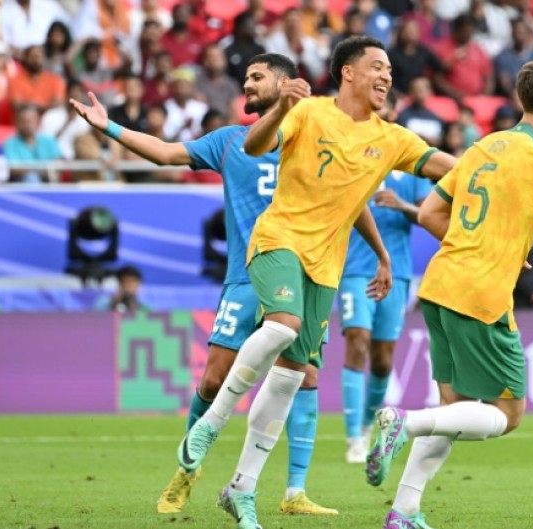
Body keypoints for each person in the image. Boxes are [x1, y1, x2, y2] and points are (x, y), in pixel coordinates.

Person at [177, 36, 456, 529]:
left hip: (326, 267)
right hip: (277, 241)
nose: (387, 75)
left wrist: (497, 172)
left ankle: (240, 489)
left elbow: (450, 168)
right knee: (282, 327)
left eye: (389, 68)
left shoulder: (393, 138)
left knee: (289, 377)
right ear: (348, 72)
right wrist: (283, 107)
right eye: (377, 66)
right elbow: (253, 144)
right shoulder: (309, 112)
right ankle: (211, 424)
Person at [70, 54, 338, 516]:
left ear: (286, 82)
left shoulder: (317, 139)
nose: (247, 85)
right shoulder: (231, 141)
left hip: (305, 274)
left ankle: (294, 492)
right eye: (247, 77)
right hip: (247, 274)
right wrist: (108, 127)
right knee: (215, 378)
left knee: (306, 377)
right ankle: (186, 473)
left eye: (257, 77)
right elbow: (167, 153)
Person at [365, 60, 533, 529]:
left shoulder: (482, 147)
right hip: (480, 295)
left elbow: (431, 214)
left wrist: (489, 246)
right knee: (508, 412)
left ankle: (404, 512)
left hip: (439, 285)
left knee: (454, 409)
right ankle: (404, 422)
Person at [340, 92, 434, 464]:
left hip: (397, 272)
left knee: (381, 359)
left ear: (393, 111)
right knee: (357, 341)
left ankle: (365, 426)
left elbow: (428, 214)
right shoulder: (349, 152)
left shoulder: (408, 161)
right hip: (352, 268)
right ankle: (352, 439)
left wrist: (403, 205)